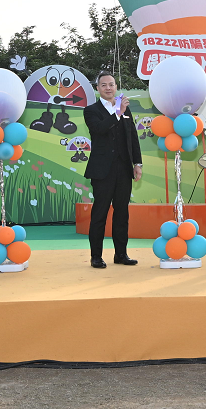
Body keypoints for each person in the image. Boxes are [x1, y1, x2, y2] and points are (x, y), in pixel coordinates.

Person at [82, 72, 142, 268]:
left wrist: (137, 164)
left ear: (116, 87)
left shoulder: (125, 109)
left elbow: (132, 136)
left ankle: (121, 254)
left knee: (122, 213)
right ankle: (96, 256)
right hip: (102, 171)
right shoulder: (91, 110)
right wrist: (117, 112)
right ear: (98, 88)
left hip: (123, 169)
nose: (108, 88)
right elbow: (99, 129)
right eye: (104, 85)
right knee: (99, 213)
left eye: (112, 84)